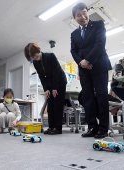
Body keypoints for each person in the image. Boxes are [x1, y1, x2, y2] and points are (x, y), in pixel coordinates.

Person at [71, 2, 112, 138]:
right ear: (74, 18)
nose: (82, 16)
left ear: (87, 12)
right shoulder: (74, 34)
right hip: (84, 71)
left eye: (84, 12)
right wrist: (81, 63)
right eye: (78, 15)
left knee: (101, 97)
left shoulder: (98, 24)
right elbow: (73, 51)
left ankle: (103, 128)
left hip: (99, 66)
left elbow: (100, 44)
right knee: (87, 98)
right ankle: (92, 127)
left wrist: (87, 60)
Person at [24, 43, 67, 135]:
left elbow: (56, 72)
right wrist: (46, 89)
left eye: (35, 56)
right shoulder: (35, 62)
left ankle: (58, 128)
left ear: (38, 50)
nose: (35, 58)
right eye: (33, 57)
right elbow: (42, 76)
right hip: (49, 83)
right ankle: (51, 127)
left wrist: (55, 87)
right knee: (50, 104)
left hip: (59, 81)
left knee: (58, 104)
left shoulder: (50, 56)